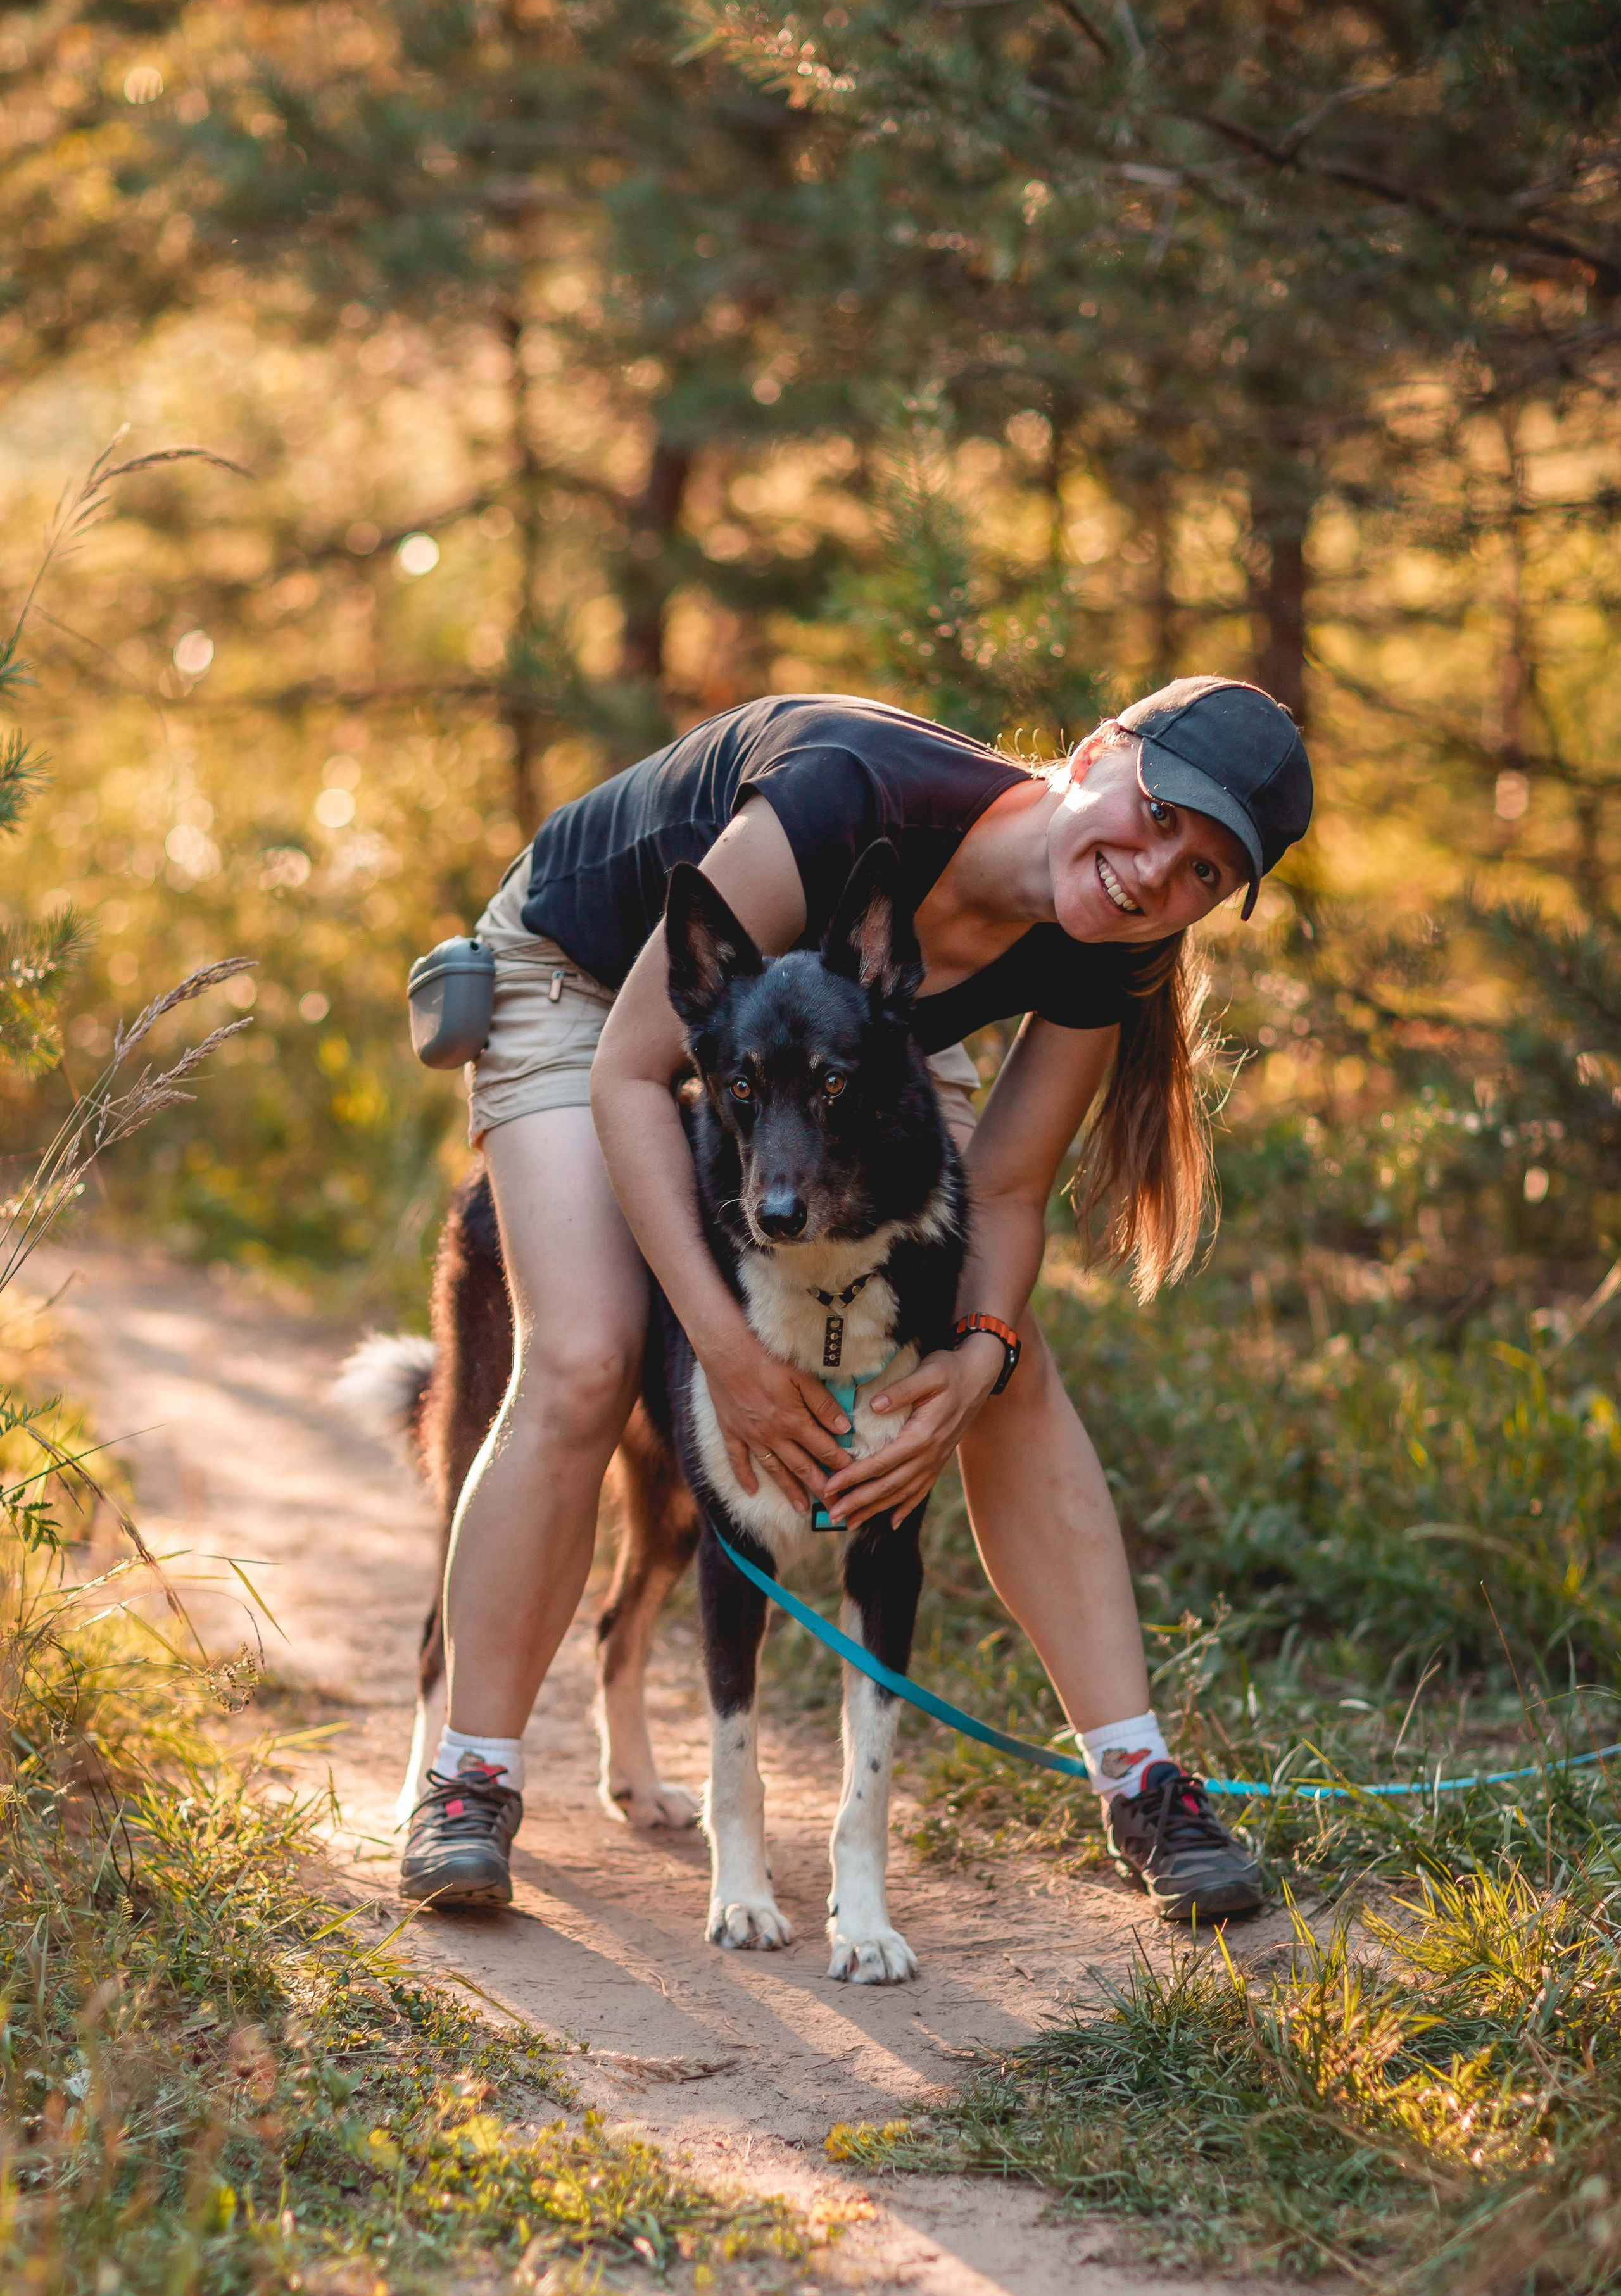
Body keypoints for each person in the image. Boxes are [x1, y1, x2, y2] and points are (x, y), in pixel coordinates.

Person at [400, 676, 1312, 1923]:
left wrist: (973, 1359)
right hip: (589, 989)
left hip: (839, 1023)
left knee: (1016, 1367)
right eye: (1157, 816)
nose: (1159, 874)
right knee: (589, 1350)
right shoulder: (846, 793)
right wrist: (723, 1347)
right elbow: (634, 1073)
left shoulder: (1110, 936)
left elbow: (1003, 1189)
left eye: (1204, 872)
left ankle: (1140, 1781)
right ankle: (468, 1777)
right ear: (1096, 753)